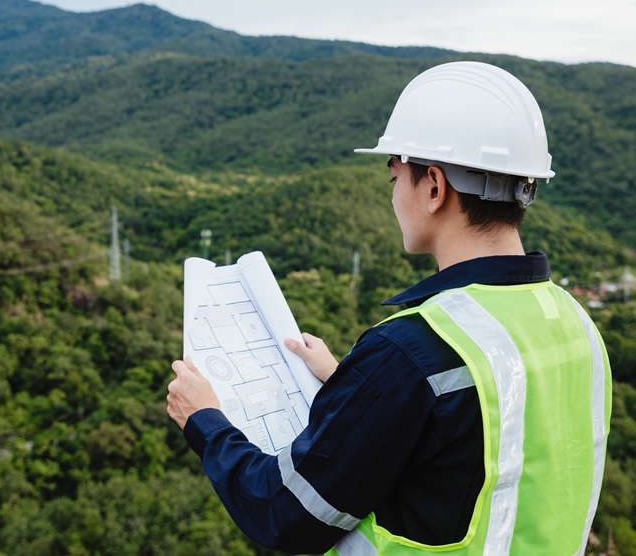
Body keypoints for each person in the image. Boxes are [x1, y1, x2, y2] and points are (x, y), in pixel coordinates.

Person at [167, 61, 611, 555]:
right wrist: (358, 388)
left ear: (435, 187)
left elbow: (283, 513)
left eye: (395, 176)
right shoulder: (574, 322)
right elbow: (479, 452)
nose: (394, 194)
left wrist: (204, 420)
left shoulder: (410, 354)